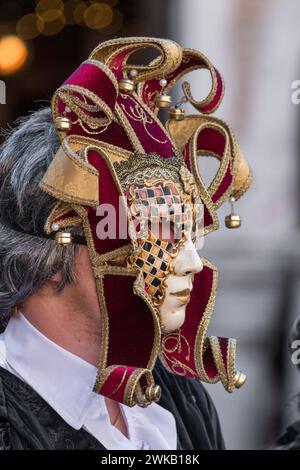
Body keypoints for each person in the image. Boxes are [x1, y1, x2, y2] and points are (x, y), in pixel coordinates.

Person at [0, 37, 252, 450]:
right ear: (52, 258)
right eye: (157, 232)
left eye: (190, 233)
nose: (191, 261)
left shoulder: (177, 395)